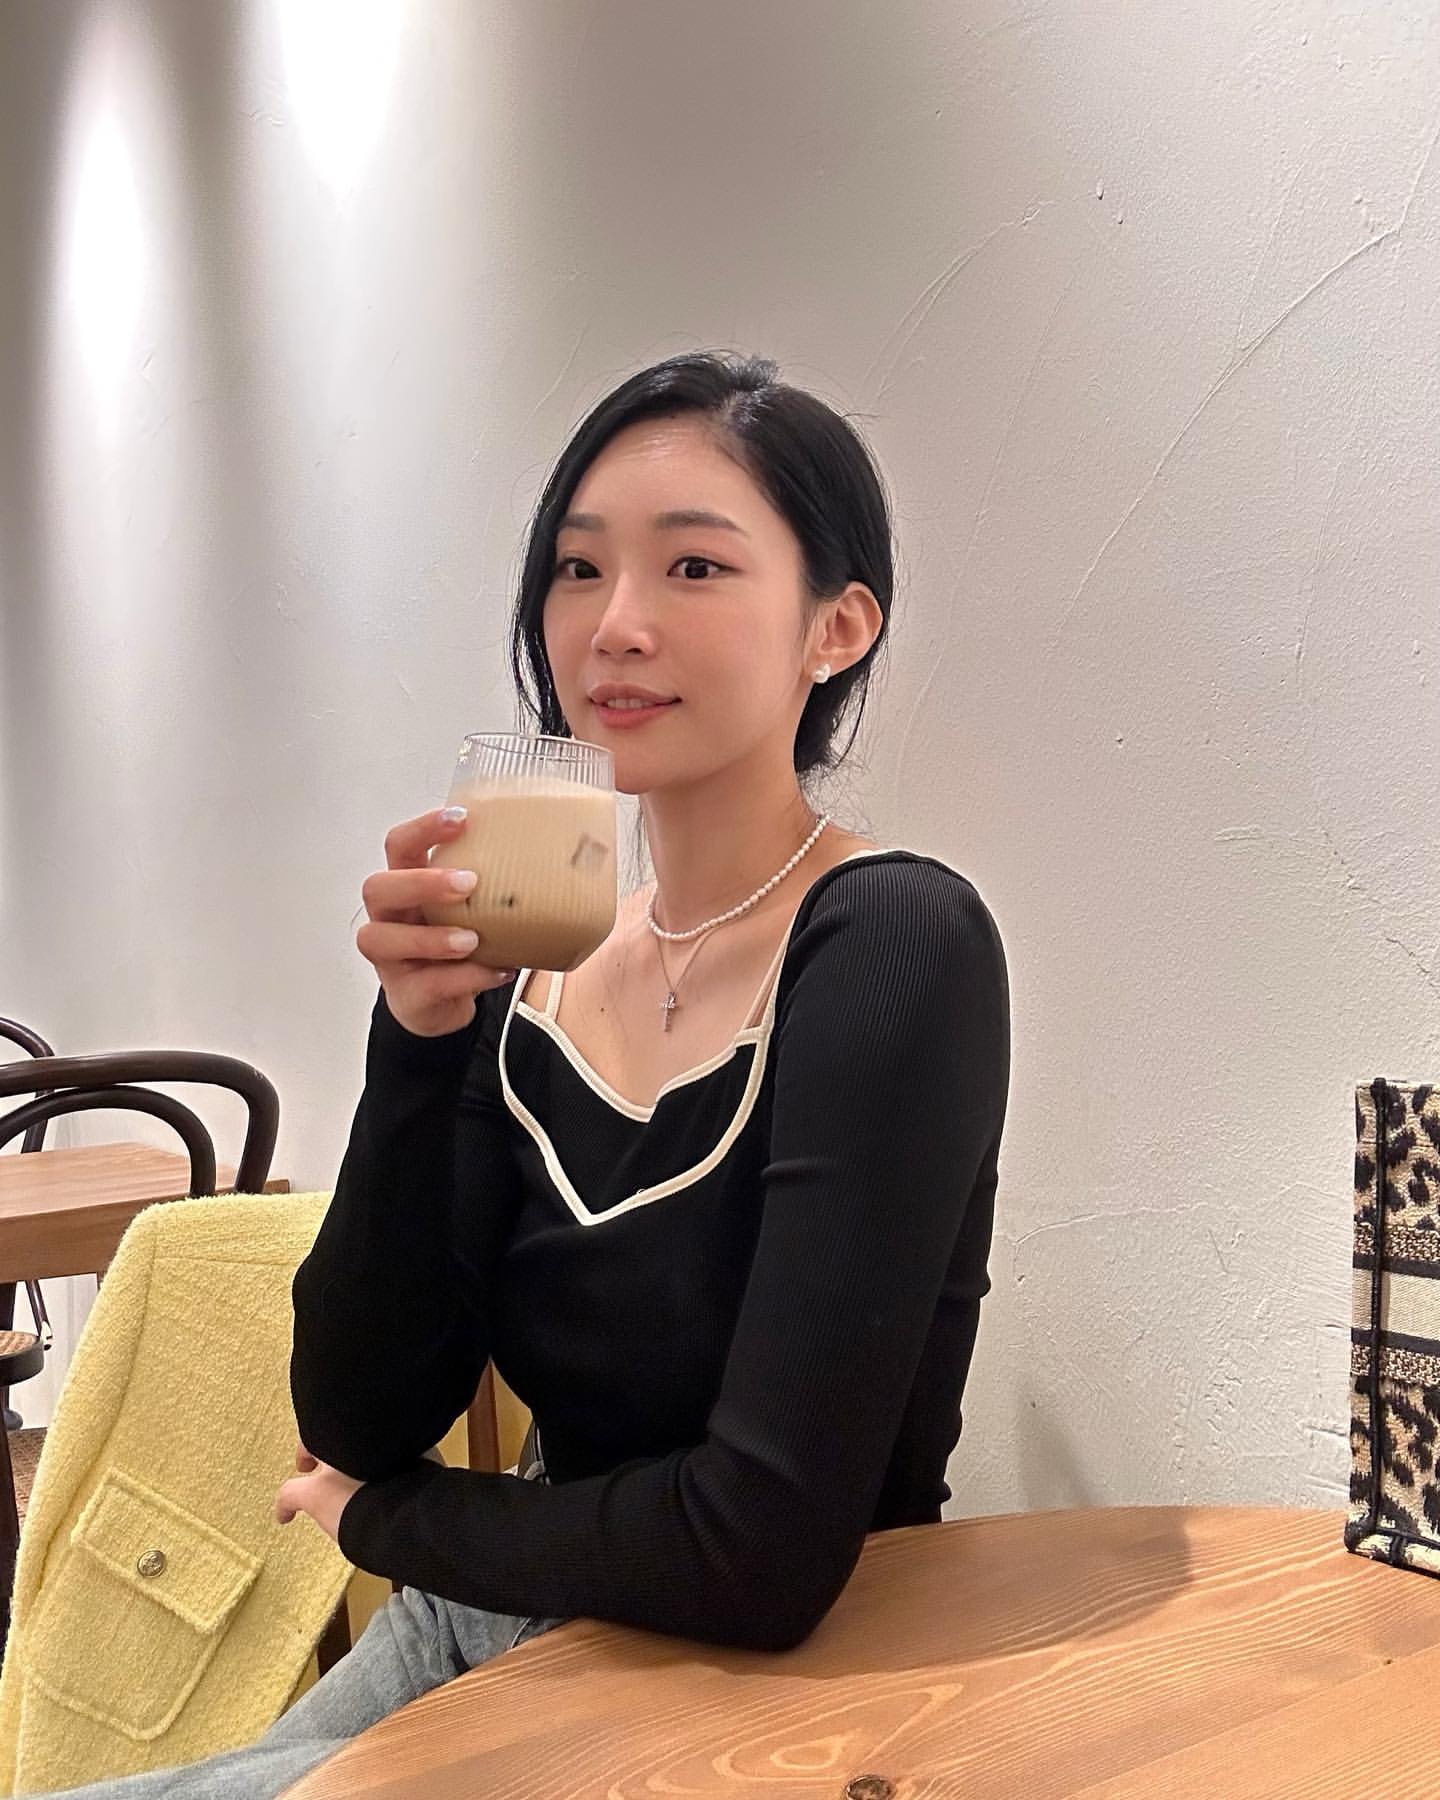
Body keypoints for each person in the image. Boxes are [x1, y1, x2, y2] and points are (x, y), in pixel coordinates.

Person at [43, 350, 1010, 1796]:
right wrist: (416, 1038)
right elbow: (358, 1413)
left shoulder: (893, 942)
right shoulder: (537, 967)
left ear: (837, 626)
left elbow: (760, 1549)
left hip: (749, 1704)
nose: (613, 625)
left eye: (693, 566)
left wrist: (391, 1524)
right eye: (577, 568)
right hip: (487, 1625)